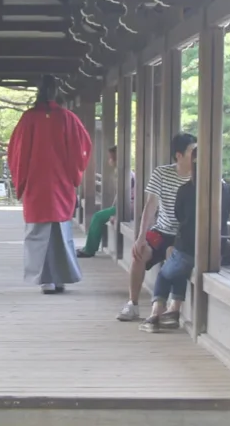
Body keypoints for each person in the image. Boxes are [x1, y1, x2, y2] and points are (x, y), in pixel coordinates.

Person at [7, 75, 93, 294]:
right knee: (61, 231)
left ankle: (44, 279)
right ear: (57, 92)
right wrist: (74, 174)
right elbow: (82, 148)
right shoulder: (67, 118)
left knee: (38, 232)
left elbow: (16, 153)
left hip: (36, 183)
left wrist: (21, 179)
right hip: (60, 183)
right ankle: (61, 277)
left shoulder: (28, 119)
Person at [117, 132, 196, 322]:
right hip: (161, 230)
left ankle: (170, 308)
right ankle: (132, 304)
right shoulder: (162, 173)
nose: (196, 156)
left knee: (173, 256)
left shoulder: (200, 177)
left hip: (183, 236)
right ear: (179, 155)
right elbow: (150, 205)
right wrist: (141, 236)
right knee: (139, 253)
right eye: (193, 152)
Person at [143, 161, 198, 332]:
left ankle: (156, 315)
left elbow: (179, 214)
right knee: (175, 261)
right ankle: (173, 310)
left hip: (189, 248)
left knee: (167, 272)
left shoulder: (186, 190)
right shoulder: (224, 189)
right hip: (216, 253)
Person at [77, 146, 137, 258]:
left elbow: (125, 196)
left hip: (129, 207)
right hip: (122, 206)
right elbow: (119, 195)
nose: (109, 160)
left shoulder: (126, 174)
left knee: (98, 217)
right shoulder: (121, 171)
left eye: (111, 157)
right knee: (99, 216)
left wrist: (116, 214)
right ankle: (88, 248)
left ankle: (89, 250)